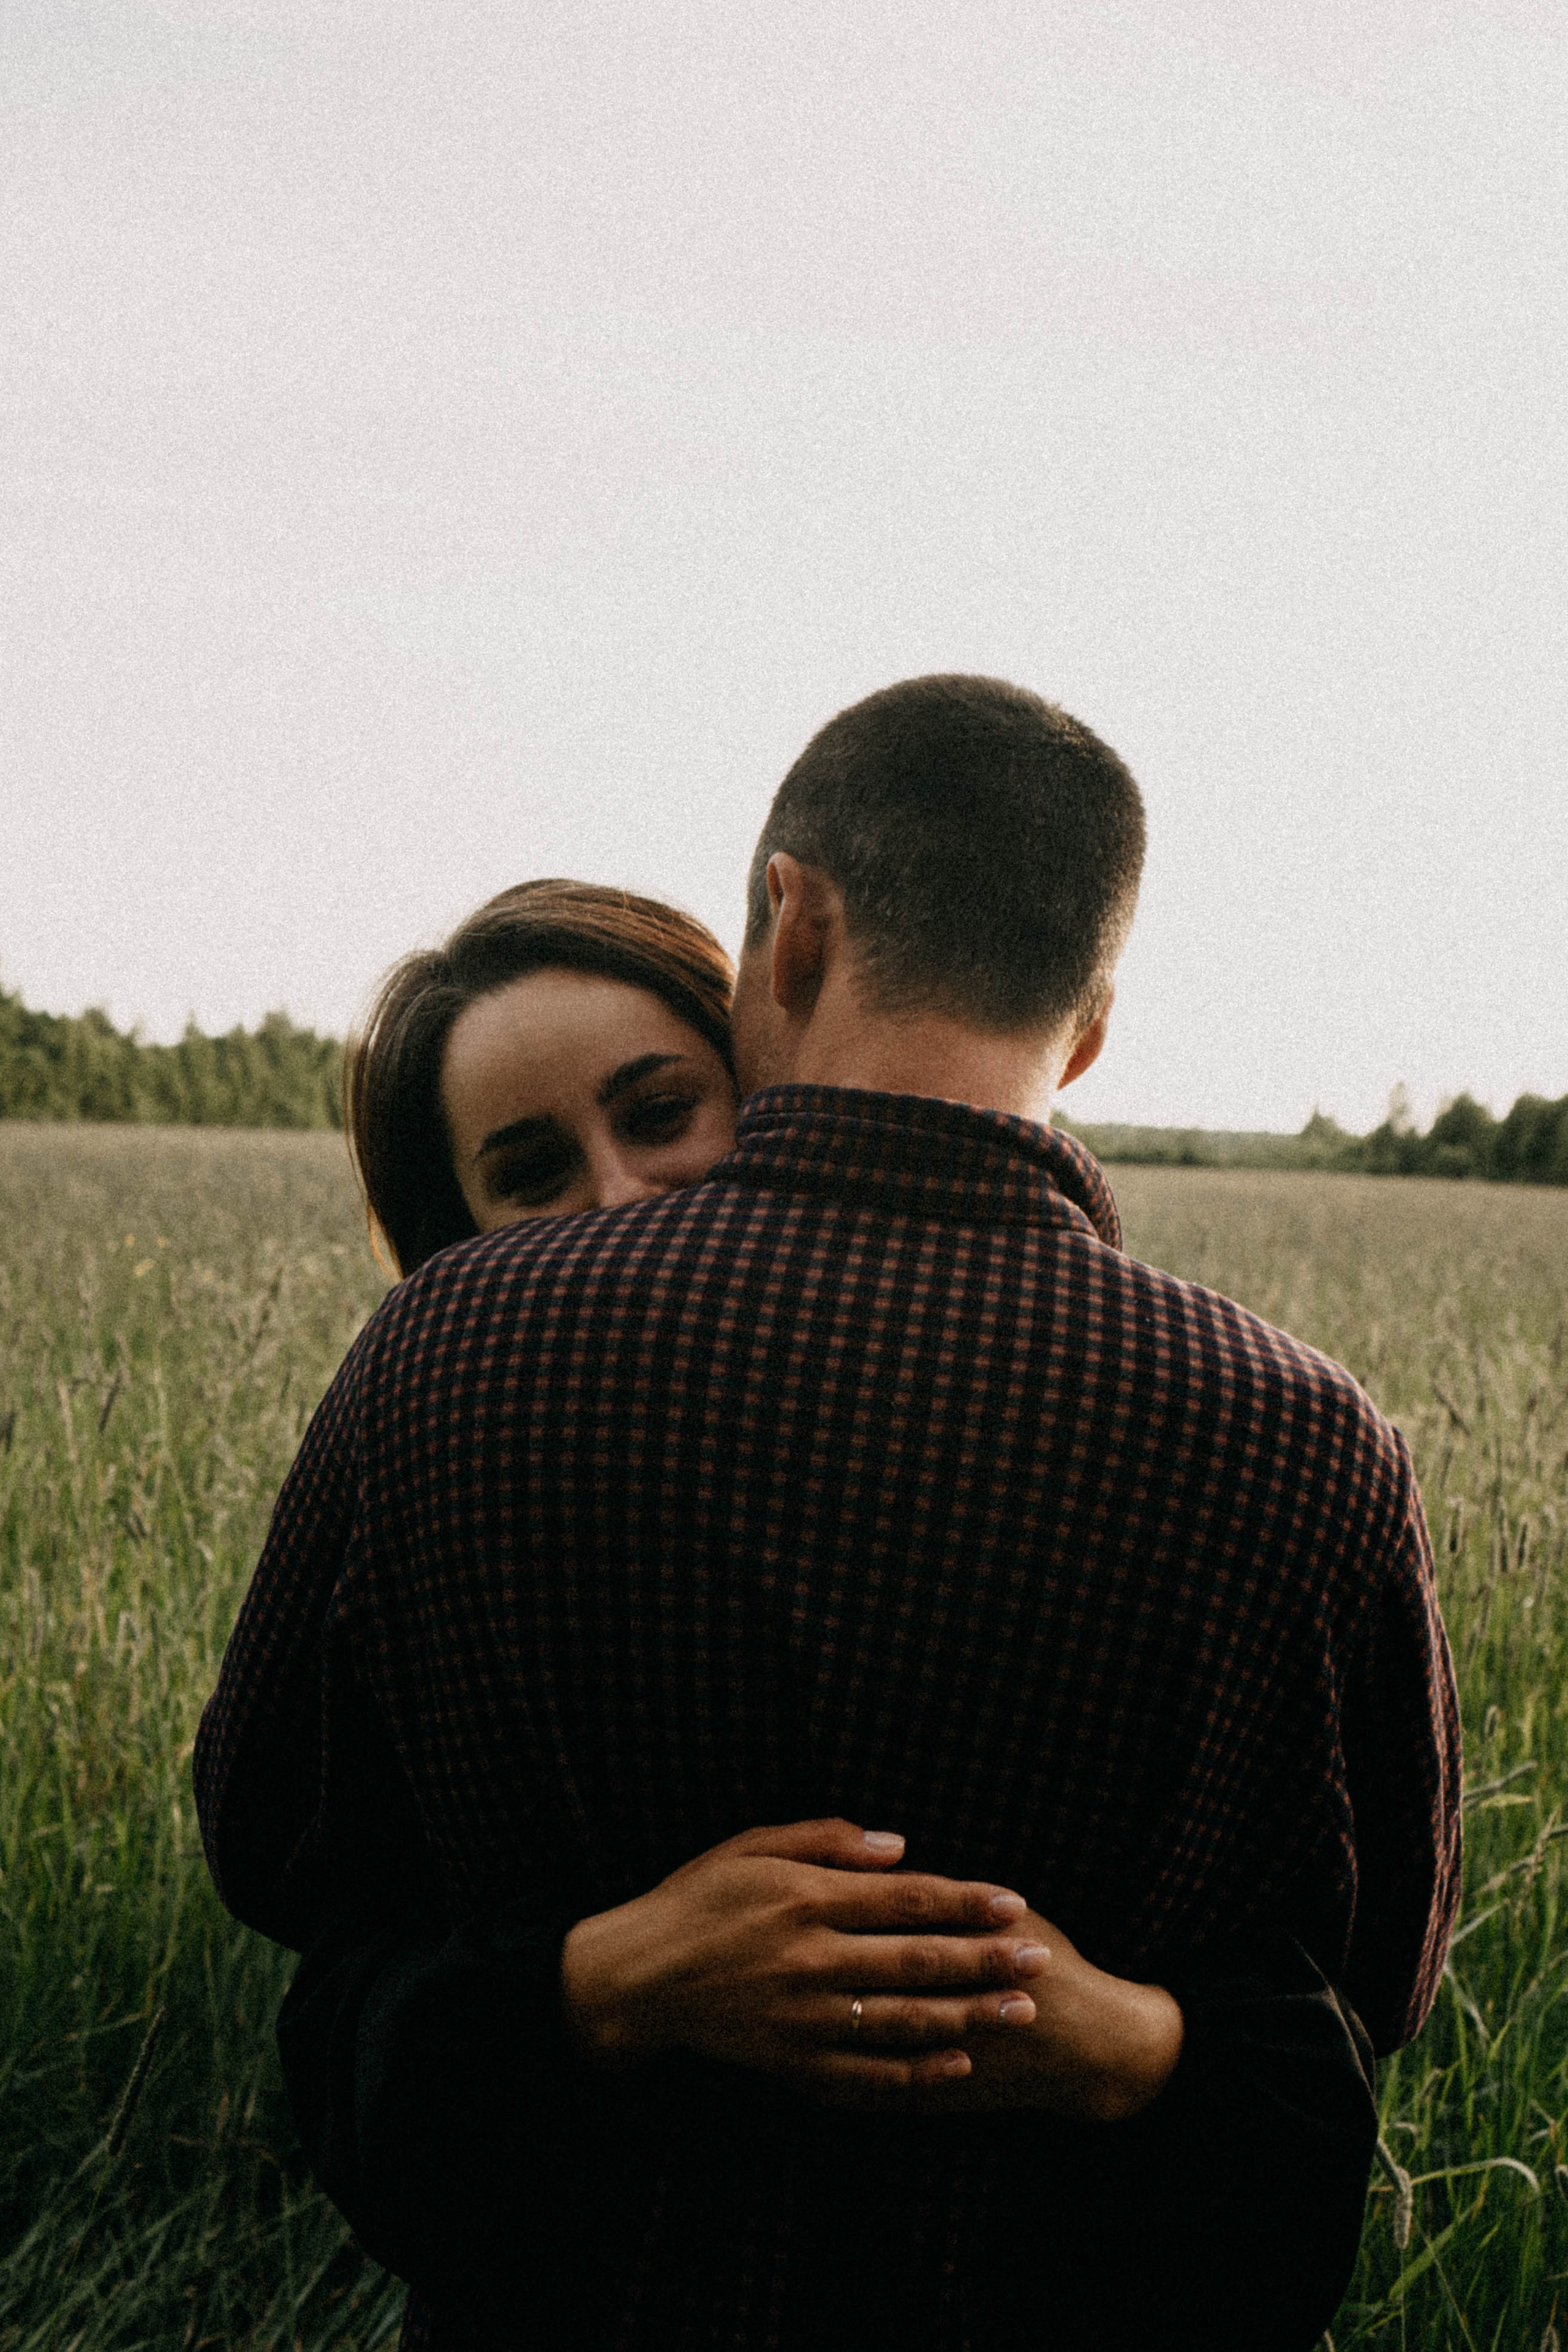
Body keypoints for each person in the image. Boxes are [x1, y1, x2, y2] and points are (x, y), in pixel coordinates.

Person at [196, 677, 1460, 2348]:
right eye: (530, 1173)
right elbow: (1368, 1997)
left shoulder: (440, 1360)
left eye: (658, 1110)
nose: (620, 1199)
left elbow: (282, 1849)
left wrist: (1107, 2034)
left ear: (782, 936)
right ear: (1086, 1033)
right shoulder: (1313, 1443)